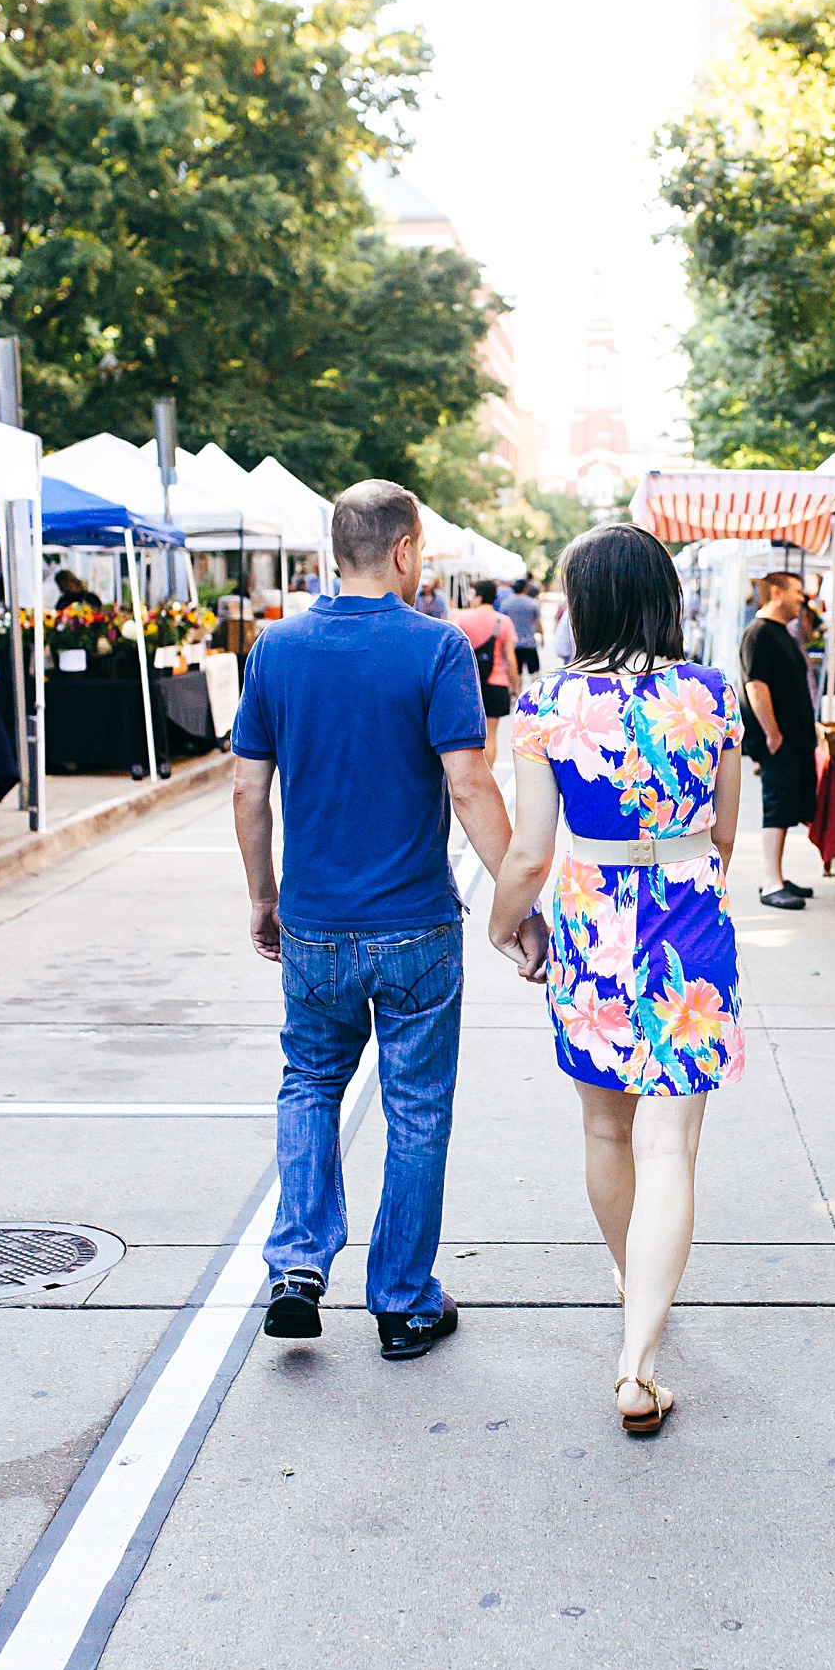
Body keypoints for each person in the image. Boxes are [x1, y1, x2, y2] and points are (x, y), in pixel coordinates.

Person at [231, 479, 547, 1355]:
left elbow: (248, 790)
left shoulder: (277, 650)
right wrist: (518, 903)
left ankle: (297, 1260)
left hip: (316, 926)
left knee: (309, 1083)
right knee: (414, 1108)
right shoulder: (435, 648)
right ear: (406, 549)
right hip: (413, 927)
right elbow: (470, 780)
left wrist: (265, 896)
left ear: (340, 552)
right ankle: (404, 1302)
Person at [489, 523, 744, 1434]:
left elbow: (526, 851)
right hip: (688, 930)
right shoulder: (713, 692)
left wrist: (503, 923)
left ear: (581, 603)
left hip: (594, 934)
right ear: (664, 597)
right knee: (670, 1146)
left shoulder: (548, 704)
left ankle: (634, 1289)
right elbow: (723, 834)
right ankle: (637, 1361)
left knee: (605, 1128)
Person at [740, 571, 817, 910]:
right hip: (778, 740)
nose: (803, 599)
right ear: (776, 592)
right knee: (776, 805)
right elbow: (755, 686)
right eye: (798, 591)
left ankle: (778, 876)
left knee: (786, 806)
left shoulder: (780, 633)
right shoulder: (759, 633)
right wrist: (772, 732)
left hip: (791, 738)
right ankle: (771, 881)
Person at [453, 580, 520, 768]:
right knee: (490, 734)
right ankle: (488, 775)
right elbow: (510, 659)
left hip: (467, 684)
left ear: (479, 597)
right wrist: (514, 685)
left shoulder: (461, 619)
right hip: (496, 683)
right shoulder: (503, 621)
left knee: (468, 734)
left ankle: (470, 774)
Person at [499, 576, 542, 676]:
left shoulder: (505, 603)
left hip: (513, 644)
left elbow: (501, 623)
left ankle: (518, 691)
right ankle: (533, 691)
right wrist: (542, 636)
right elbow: (538, 622)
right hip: (530, 643)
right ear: (525, 588)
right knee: (534, 672)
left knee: (517, 672)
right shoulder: (533, 603)